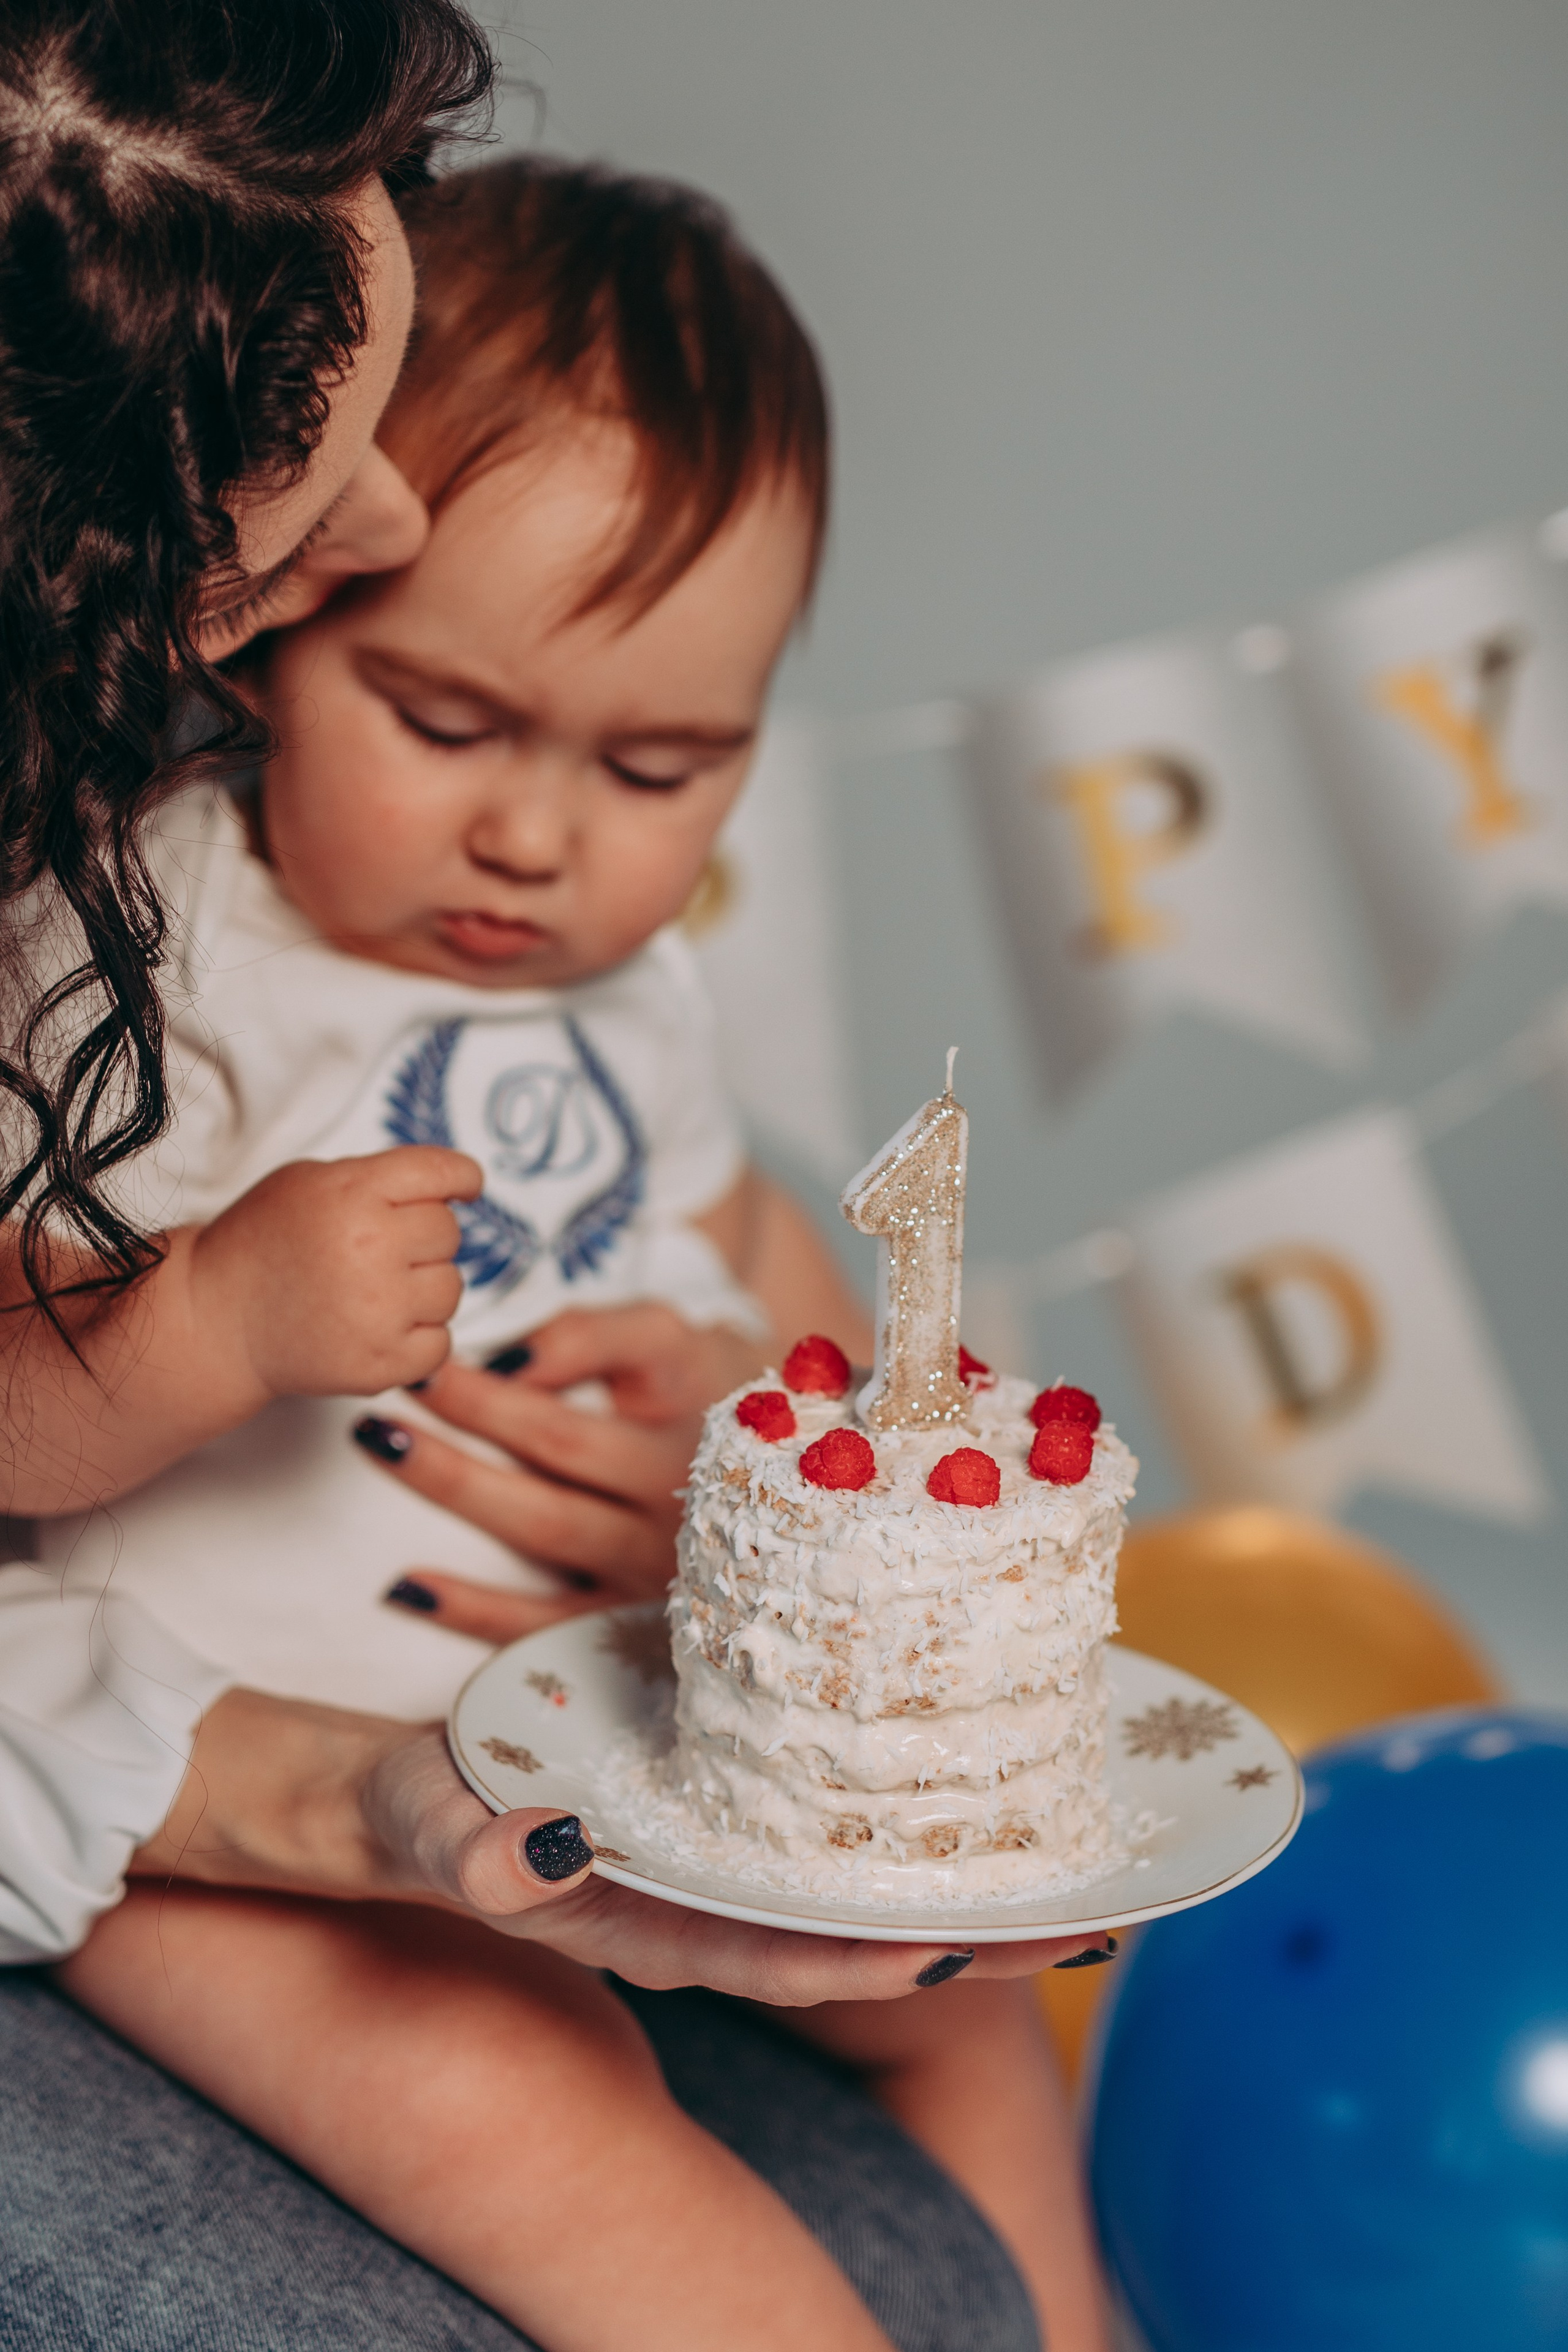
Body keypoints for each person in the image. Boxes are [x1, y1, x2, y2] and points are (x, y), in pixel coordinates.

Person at [0, 26, 1105, 2344]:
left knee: (967, 1999)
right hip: (226, 1782)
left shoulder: (638, 988)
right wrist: (202, 1327)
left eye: (662, 763)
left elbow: (784, 1287)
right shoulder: (157, 934)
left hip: (582, 1737)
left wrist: (744, 1424)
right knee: (560, 2131)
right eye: (445, 720)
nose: (534, 838)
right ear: (267, 629)